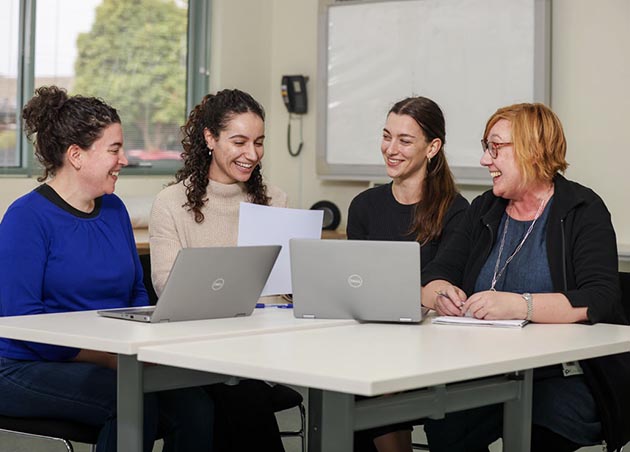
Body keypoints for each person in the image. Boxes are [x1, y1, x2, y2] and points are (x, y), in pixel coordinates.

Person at [0, 86, 214, 452]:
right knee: (133, 403)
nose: (124, 160)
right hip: (23, 365)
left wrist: (129, 352)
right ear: (76, 156)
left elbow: (135, 293)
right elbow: (23, 325)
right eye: (114, 149)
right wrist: (113, 358)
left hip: (111, 357)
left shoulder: (113, 211)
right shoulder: (26, 218)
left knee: (196, 406)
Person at [421, 102, 630, 451]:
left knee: (537, 430)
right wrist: (442, 294)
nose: (485, 160)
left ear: (533, 150)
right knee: (445, 422)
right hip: (486, 370)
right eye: (486, 147)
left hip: (565, 375)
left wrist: (520, 305)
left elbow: (600, 297)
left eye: (495, 148)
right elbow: (433, 278)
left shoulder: (582, 209)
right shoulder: (484, 208)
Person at [149, 88, 288, 452]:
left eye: (259, 142)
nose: (252, 154)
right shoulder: (172, 203)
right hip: (198, 351)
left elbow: (289, 289)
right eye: (239, 141)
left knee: (237, 400)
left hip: (262, 350)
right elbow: (167, 286)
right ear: (210, 138)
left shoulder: (275, 200)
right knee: (234, 403)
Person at [347, 96, 469, 452]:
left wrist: (409, 291)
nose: (390, 149)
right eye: (387, 136)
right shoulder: (365, 206)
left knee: (370, 386)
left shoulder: (456, 211)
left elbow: (438, 291)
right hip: (370, 338)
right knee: (351, 381)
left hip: (427, 345)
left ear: (433, 147)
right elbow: (355, 282)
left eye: (404, 140)